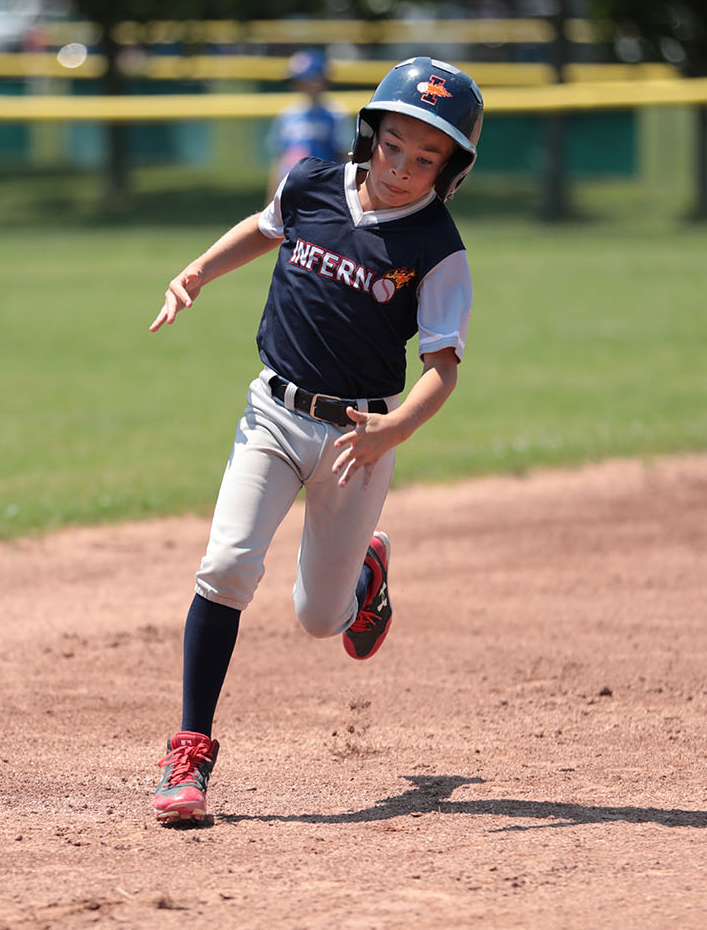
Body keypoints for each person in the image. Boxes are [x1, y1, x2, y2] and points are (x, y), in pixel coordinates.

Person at [145, 56, 483, 824]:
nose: (403, 168)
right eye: (394, 145)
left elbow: (442, 369)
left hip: (360, 436)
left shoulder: (437, 246)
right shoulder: (311, 184)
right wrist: (196, 273)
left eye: (427, 158)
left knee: (319, 619)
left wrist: (395, 428)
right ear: (372, 134)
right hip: (273, 412)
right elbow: (264, 229)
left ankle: (366, 576)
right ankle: (190, 753)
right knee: (227, 566)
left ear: (451, 169)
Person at [266, 49, 348, 196]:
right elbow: (280, 160)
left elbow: (344, 158)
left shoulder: (335, 114)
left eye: (308, 80)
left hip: (324, 188)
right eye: (298, 82)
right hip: (292, 188)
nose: (302, 86)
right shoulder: (288, 115)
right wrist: (272, 198)